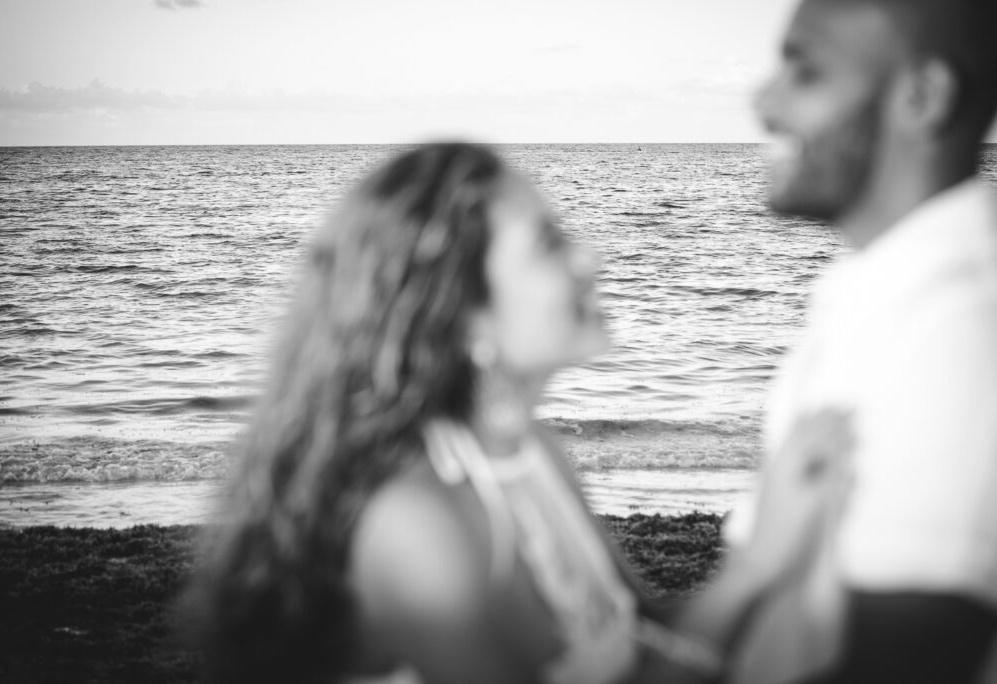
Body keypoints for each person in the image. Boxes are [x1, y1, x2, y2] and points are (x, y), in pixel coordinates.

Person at [182, 142, 851, 684]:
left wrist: (771, 549)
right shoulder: (415, 525)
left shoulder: (531, 454)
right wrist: (761, 567)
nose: (591, 257)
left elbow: (647, 650)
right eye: (550, 243)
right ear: (463, 312)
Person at [723, 0, 997, 682]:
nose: (764, 104)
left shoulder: (954, 342)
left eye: (806, 73)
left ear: (921, 96)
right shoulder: (878, 293)